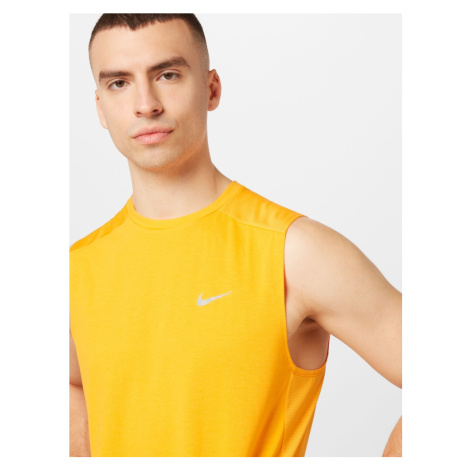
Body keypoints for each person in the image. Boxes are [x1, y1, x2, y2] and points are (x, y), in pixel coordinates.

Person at [69, 13, 402, 457]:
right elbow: (72, 382)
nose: (145, 104)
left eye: (167, 75)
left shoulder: (293, 251)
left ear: (211, 89)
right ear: (100, 107)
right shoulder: (76, 268)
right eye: (119, 83)